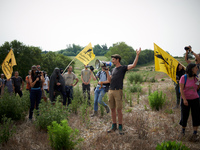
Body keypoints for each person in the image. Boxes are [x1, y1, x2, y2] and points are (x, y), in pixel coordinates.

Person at [107, 48, 141, 135]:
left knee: (119, 110)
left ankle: (120, 127)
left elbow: (133, 65)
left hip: (118, 91)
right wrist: (107, 72)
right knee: (112, 109)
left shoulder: (123, 68)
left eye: (113, 59)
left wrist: (137, 55)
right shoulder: (113, 69)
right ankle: (114, 126)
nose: (112, 61)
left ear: (117, 60)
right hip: (110, 90)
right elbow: (110, 80)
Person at [179, 63, 200, 142]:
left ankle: (195, 133)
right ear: (191, 69)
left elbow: (197, 88)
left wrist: (199, 82)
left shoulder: (196, 78)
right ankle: (183, 131)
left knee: (196, 116)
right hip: (186, 100)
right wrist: (184, 99)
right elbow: (181, 89)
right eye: (195, 68)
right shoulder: (183, 78)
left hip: (195, 99)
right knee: (184, 116)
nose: (197, 69)